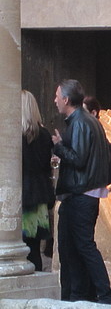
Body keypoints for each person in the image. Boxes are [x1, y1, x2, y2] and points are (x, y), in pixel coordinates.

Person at [52, 79, 111, 304]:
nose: (55, 101)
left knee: (84, 246)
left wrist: (59, 146)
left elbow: (78, 159)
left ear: (67, 99)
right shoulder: (89, 121)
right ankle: (78, 295)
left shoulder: (80, 122)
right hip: (82, 194)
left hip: (80, 194)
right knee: (73, 247)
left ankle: (104, 295)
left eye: (57, 96)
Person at [21, 90, 55, 271]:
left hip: (20, 197)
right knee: (35, 248)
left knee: (15, 246)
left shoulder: (11, 136)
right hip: (39, 196)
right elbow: (45, 166)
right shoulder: (44, 134)